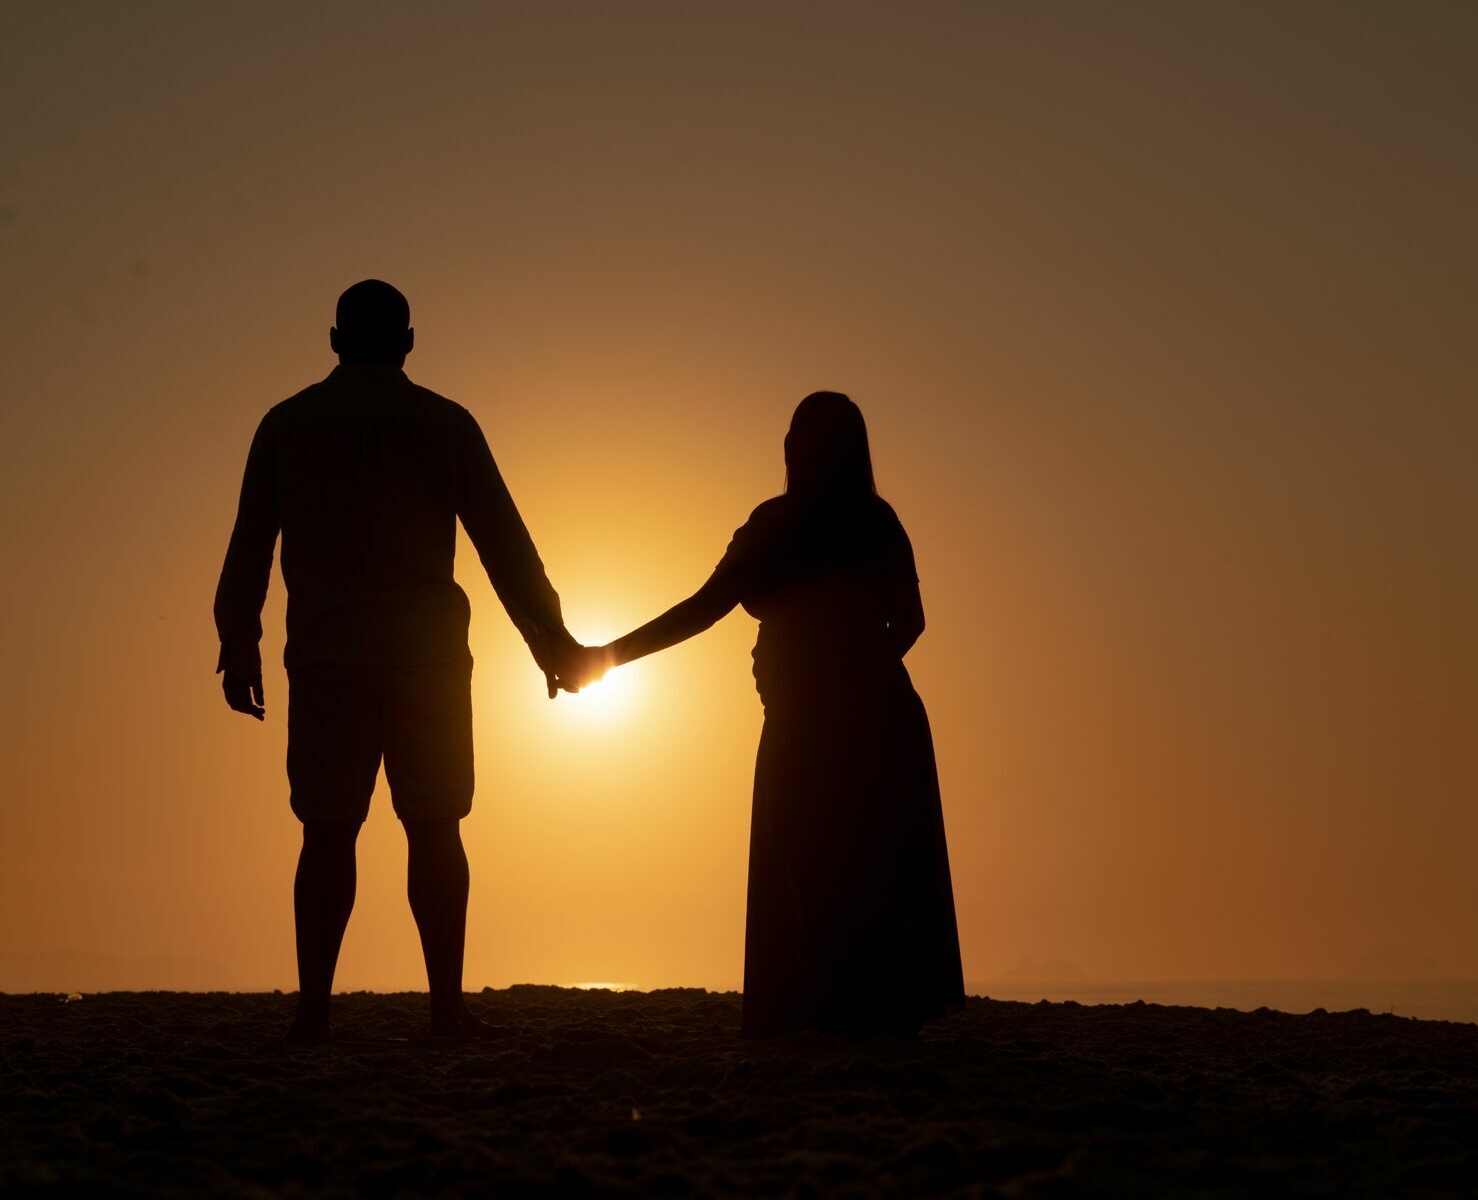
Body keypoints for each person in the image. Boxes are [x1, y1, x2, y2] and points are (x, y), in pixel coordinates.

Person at [213, 279, 582, 1042]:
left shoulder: (288, 424)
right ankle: (445, 1007)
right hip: (428, 663)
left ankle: (314, 1010)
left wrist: (238, 639)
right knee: (437, 828)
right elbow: (505, 546)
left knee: (326, 832)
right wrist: (551, 640)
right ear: (409, 342)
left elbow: (251, 543)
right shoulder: (445, 425)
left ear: (334, 339)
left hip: (328, 658)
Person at [577, 392, 964, 1038]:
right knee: (874, 867)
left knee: (809, 862)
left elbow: (703, 608)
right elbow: (913, 621)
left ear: (794, 450)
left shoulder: (777, 524)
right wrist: (858, 666)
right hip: (882, 714)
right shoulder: (879, 520)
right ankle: (876, 1016)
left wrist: (607, 659)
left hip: (809, 719)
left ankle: (821, 1014)